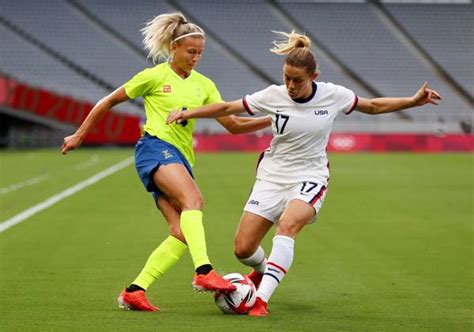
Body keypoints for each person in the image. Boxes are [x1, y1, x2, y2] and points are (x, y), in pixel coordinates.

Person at [166, 31, 442, 317]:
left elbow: (371, 106)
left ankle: (260, 301)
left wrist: (412, 100)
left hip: (310, 176)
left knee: (287, 225)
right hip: (272, 176)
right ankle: (262, 272)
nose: (290, 85)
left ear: (314, 76)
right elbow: (227, 107)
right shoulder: (273, 95)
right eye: (287, 78)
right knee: (243, 249)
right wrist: (189, 113)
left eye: (297, 80)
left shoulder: (333, 95)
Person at [61, 12, 271, 312]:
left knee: (182, 232)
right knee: (194, 200)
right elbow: (107, 101)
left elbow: (234, 125)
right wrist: (80, 135)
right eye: (190, 51)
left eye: (200, 52)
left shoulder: (204, 85)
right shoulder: (154, 76)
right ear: (174, 48)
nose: (196, 57)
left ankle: (135, 291)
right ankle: (203, 271)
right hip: (154, 149)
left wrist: (274, 119)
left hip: (180, 159)